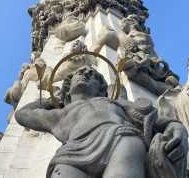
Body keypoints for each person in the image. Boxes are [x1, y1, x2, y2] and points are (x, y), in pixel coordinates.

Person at [15, 65, 188, 178]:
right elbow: (22, 114)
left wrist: (177, 128)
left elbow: (158, 119)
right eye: (80, 74)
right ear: (67, 90)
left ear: (101, 89)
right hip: (71, 152)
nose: (85, 75)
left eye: (92, 75)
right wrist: (50, 101)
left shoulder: (114, 102)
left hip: (120, 139)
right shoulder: (60, 115)